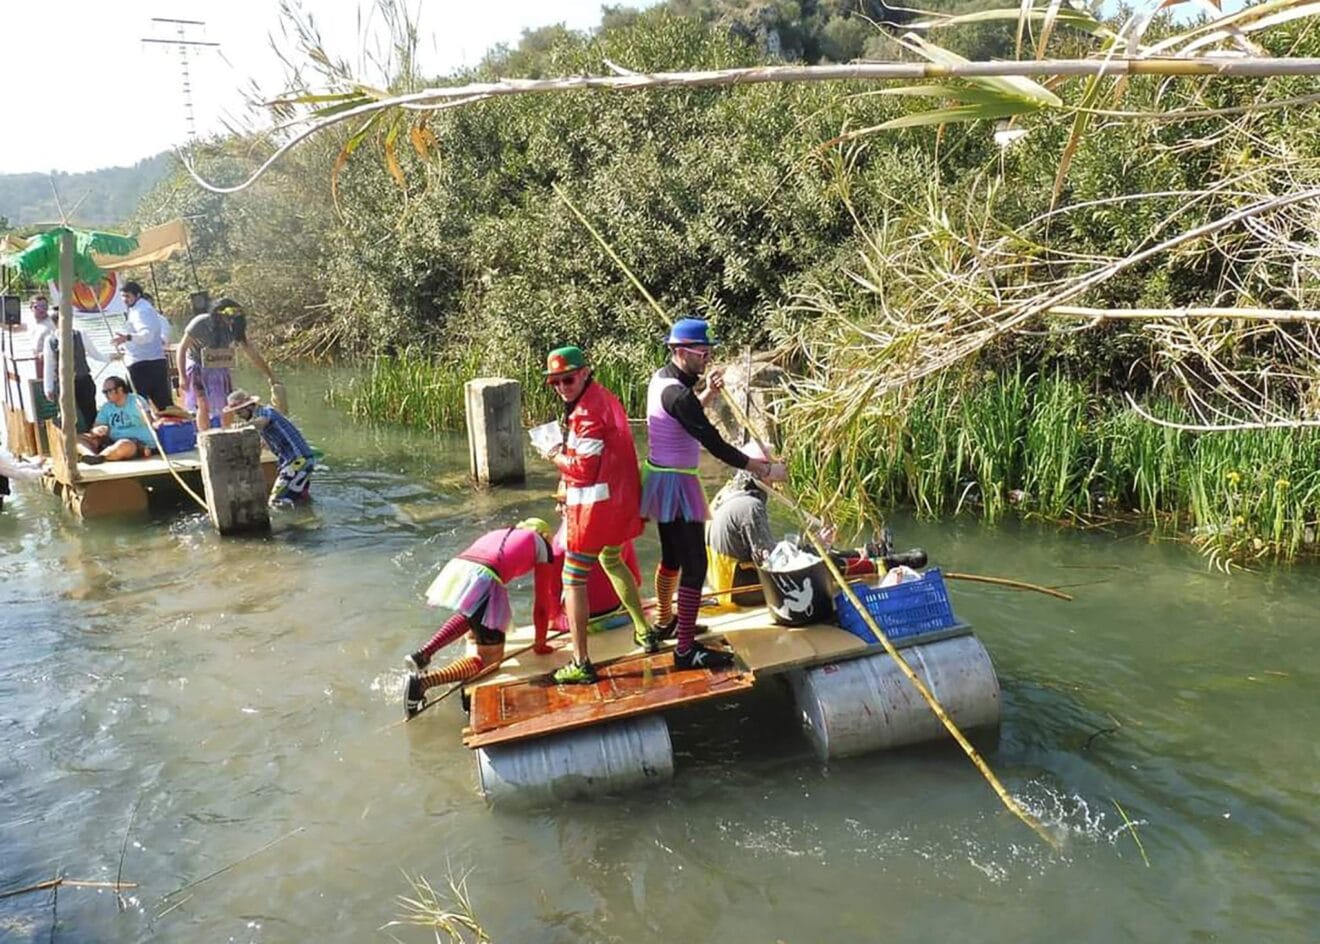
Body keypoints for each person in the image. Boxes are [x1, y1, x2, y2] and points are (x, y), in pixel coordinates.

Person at [642, 318, 784, 670]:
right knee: (695, 565)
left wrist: (708, 394)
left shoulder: (662, 381)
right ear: (679, 352)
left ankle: (665, 621)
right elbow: (716, 446)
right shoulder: (676, 394)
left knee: (672, 556)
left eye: (709, 351)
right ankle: (685, 650)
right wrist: (764, 469)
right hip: (676, 483)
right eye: (701, 353)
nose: (707, 358)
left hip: (660, 477)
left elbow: (683, 416)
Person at [538, 344, 650, 685]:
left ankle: (581, 662)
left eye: (567, 380)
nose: (560, 388)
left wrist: (553, 452)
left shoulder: (585, 414)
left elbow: (583, 471)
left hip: (595, 511)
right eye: (554, 383)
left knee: (573, 580)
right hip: (620, 503)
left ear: (585, 373)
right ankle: (645, 632)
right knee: (613, 560)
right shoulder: (606, 398)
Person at [707, 443, 902, 606]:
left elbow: (763, 552)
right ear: (761, 469)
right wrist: (813, 549)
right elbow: (774, 564)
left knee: (818, 551)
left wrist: (813, 546)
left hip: (726, 582)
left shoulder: (726, 494)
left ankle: (870, 552)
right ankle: (879, 565)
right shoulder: (750, 507)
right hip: (739, 591)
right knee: (823, 565)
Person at [403, 519, 561, 718]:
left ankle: (423, 654)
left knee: (474, 612)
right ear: (545, 536)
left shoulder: (504, 532)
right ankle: (423, 683)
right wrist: (540, 642)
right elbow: (542, 603)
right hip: (486, 575)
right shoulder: (543, 546)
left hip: (461, 567)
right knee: (490, 661)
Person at [175, 297, 279, 430]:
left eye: (234, 318)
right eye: (228, 317)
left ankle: (228, 431)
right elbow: (182, 348)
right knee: (203, 404)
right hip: (197, 366)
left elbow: (250, 351)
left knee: (228, 404)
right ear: (219, 313)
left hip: (219, 367)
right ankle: (205, 436)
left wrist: (269, 374)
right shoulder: (201, 323)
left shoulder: (235, 328)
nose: (231, 321)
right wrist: (182, 376)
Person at [222, 389, 316, 506]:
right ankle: (308, 518)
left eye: (239, 413)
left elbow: (262, 421)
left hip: (298, 461)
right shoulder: (261, 421)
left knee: (276, 502)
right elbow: (264, 443)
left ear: (249, 407)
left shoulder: (265, 411)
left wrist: (243, 426)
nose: (239, 417)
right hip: (301, 461)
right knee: (300, 499)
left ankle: (287, 523)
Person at [42, 309, 108, 432]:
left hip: (83, 380)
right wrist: (48, 388)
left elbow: (94, 353)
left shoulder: (80, 334)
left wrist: (110, 358)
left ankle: (95, 438)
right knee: (66, 415)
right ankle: (70, 441)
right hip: (63, 383)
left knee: (90, 412)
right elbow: (49, 365)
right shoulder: (50, 340)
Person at [113, 281, 173, 410]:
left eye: (128, 296)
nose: (125, 300)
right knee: (162, 404)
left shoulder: (141, 311)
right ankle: (167, 428)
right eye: (123, 296)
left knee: (140, 406)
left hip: (143, 365)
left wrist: (127, 337)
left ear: (138, 295)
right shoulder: (138, 310)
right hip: (149, 361)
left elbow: (147, 335)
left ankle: (162, 428)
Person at [77, 376, 157, 464]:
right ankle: (90, 456)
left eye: (109, 391)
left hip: (136, 442)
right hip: (112, 441)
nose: (106, 395)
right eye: (104, 392)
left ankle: (101, 457)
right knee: (78, 438)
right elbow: (95, 428)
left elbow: (149, 421)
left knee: (124, 445)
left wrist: (143, 413)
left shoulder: (136, 400)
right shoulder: (106, 407)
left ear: (120, 390)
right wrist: (98, 430)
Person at [29, 295, 53, 384]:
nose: (41, 309)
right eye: (37, 307)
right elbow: (15, 328)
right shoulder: (31, 322)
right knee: (39, 384)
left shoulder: (52, 324)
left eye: (44, 306)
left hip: (49, 361)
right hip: (36, 360)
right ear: (31, 308)